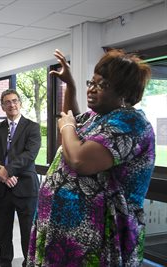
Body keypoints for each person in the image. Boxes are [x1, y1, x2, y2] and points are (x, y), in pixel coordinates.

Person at [27, 49, 155, 266]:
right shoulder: (98, 116)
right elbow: (74, 120)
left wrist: (66, 127)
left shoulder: (130, 123)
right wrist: (71, 86)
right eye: (91, 82)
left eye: (101, 85)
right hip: (65, 232)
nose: (92, 89)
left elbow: (80, 160)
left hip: (99, 236)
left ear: (124, 92)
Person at [0, 89, 41, 267]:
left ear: (20, 103)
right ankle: (4, 262)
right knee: (3, 230)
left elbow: (29, 155)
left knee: (28, 231)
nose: (12, 104)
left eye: (15, 101)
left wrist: (8, 170)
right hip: (1, 188)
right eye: (8, 102)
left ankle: (29, 262)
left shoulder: (32, 127)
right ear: (2, 106)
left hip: (25, 188)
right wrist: (2, 175)